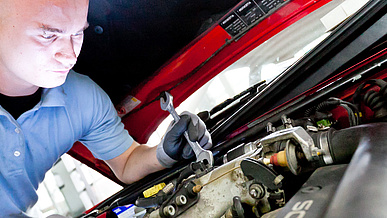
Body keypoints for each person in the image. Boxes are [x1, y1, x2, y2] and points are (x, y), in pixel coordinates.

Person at [0, 0, 212, 216]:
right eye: (48, 35)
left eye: (77, 34)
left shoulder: (81, 98)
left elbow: (126, 161)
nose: (71, 54)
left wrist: (164, 153)